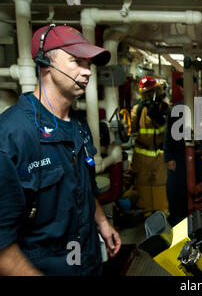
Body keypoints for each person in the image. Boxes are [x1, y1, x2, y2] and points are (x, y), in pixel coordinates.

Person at [0, 25, 121, 276]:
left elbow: (84, 186)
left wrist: (102, 223)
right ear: (45, 64)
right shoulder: (12, 135)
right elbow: (2, 245)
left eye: (89, 64)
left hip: (88, 261)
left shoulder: (78, 125)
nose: (87, 72)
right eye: (76, 61)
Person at [130, 75, 169, 217]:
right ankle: (146, 212)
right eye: (147, 93)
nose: (149, 95)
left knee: (160, 183)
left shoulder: (165, 109)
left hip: (160, 154)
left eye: (152, 92)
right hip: (142, 154)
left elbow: (169, 132)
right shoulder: (138, 109)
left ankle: (162, 213)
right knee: (143, 183)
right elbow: (131, 129)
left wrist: (160, 117)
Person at [163, 77, 188, 226]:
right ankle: (177, 222)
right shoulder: (176, 109)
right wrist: (169, 157)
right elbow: (168, 136)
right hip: (178, 156)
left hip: (199, 158)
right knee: (175, 190)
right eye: (183, 87)